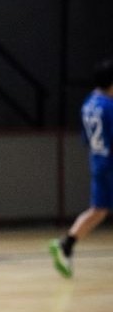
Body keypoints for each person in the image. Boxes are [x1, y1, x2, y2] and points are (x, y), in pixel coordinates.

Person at [50, 57, 113, 278]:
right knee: (99, 210)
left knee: (99, 210)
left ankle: (66, 244)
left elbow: (86, 138)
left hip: (97, 160)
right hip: (109, 162)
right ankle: (65, 245)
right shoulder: (109, 106)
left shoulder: (90, 102)